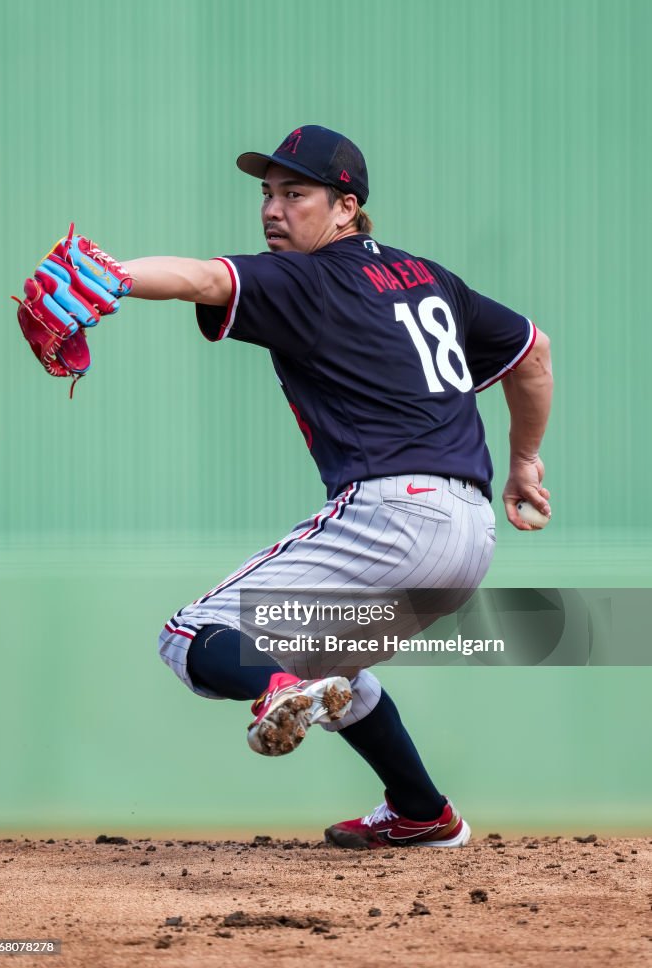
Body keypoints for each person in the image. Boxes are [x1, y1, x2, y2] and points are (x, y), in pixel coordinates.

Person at [122, 125, 553, 849]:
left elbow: (201, 278)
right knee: (337, 666)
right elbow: (530, 349)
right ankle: (422, 812)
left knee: (189, 635)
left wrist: (103, 274)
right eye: (267, 193)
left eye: (296, 194)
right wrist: (525, 461)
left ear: (346, 207)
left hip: (392, 514)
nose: (272, 209)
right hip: (468, 537)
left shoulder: (308, 278)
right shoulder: (429, 278)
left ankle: (274, 688)